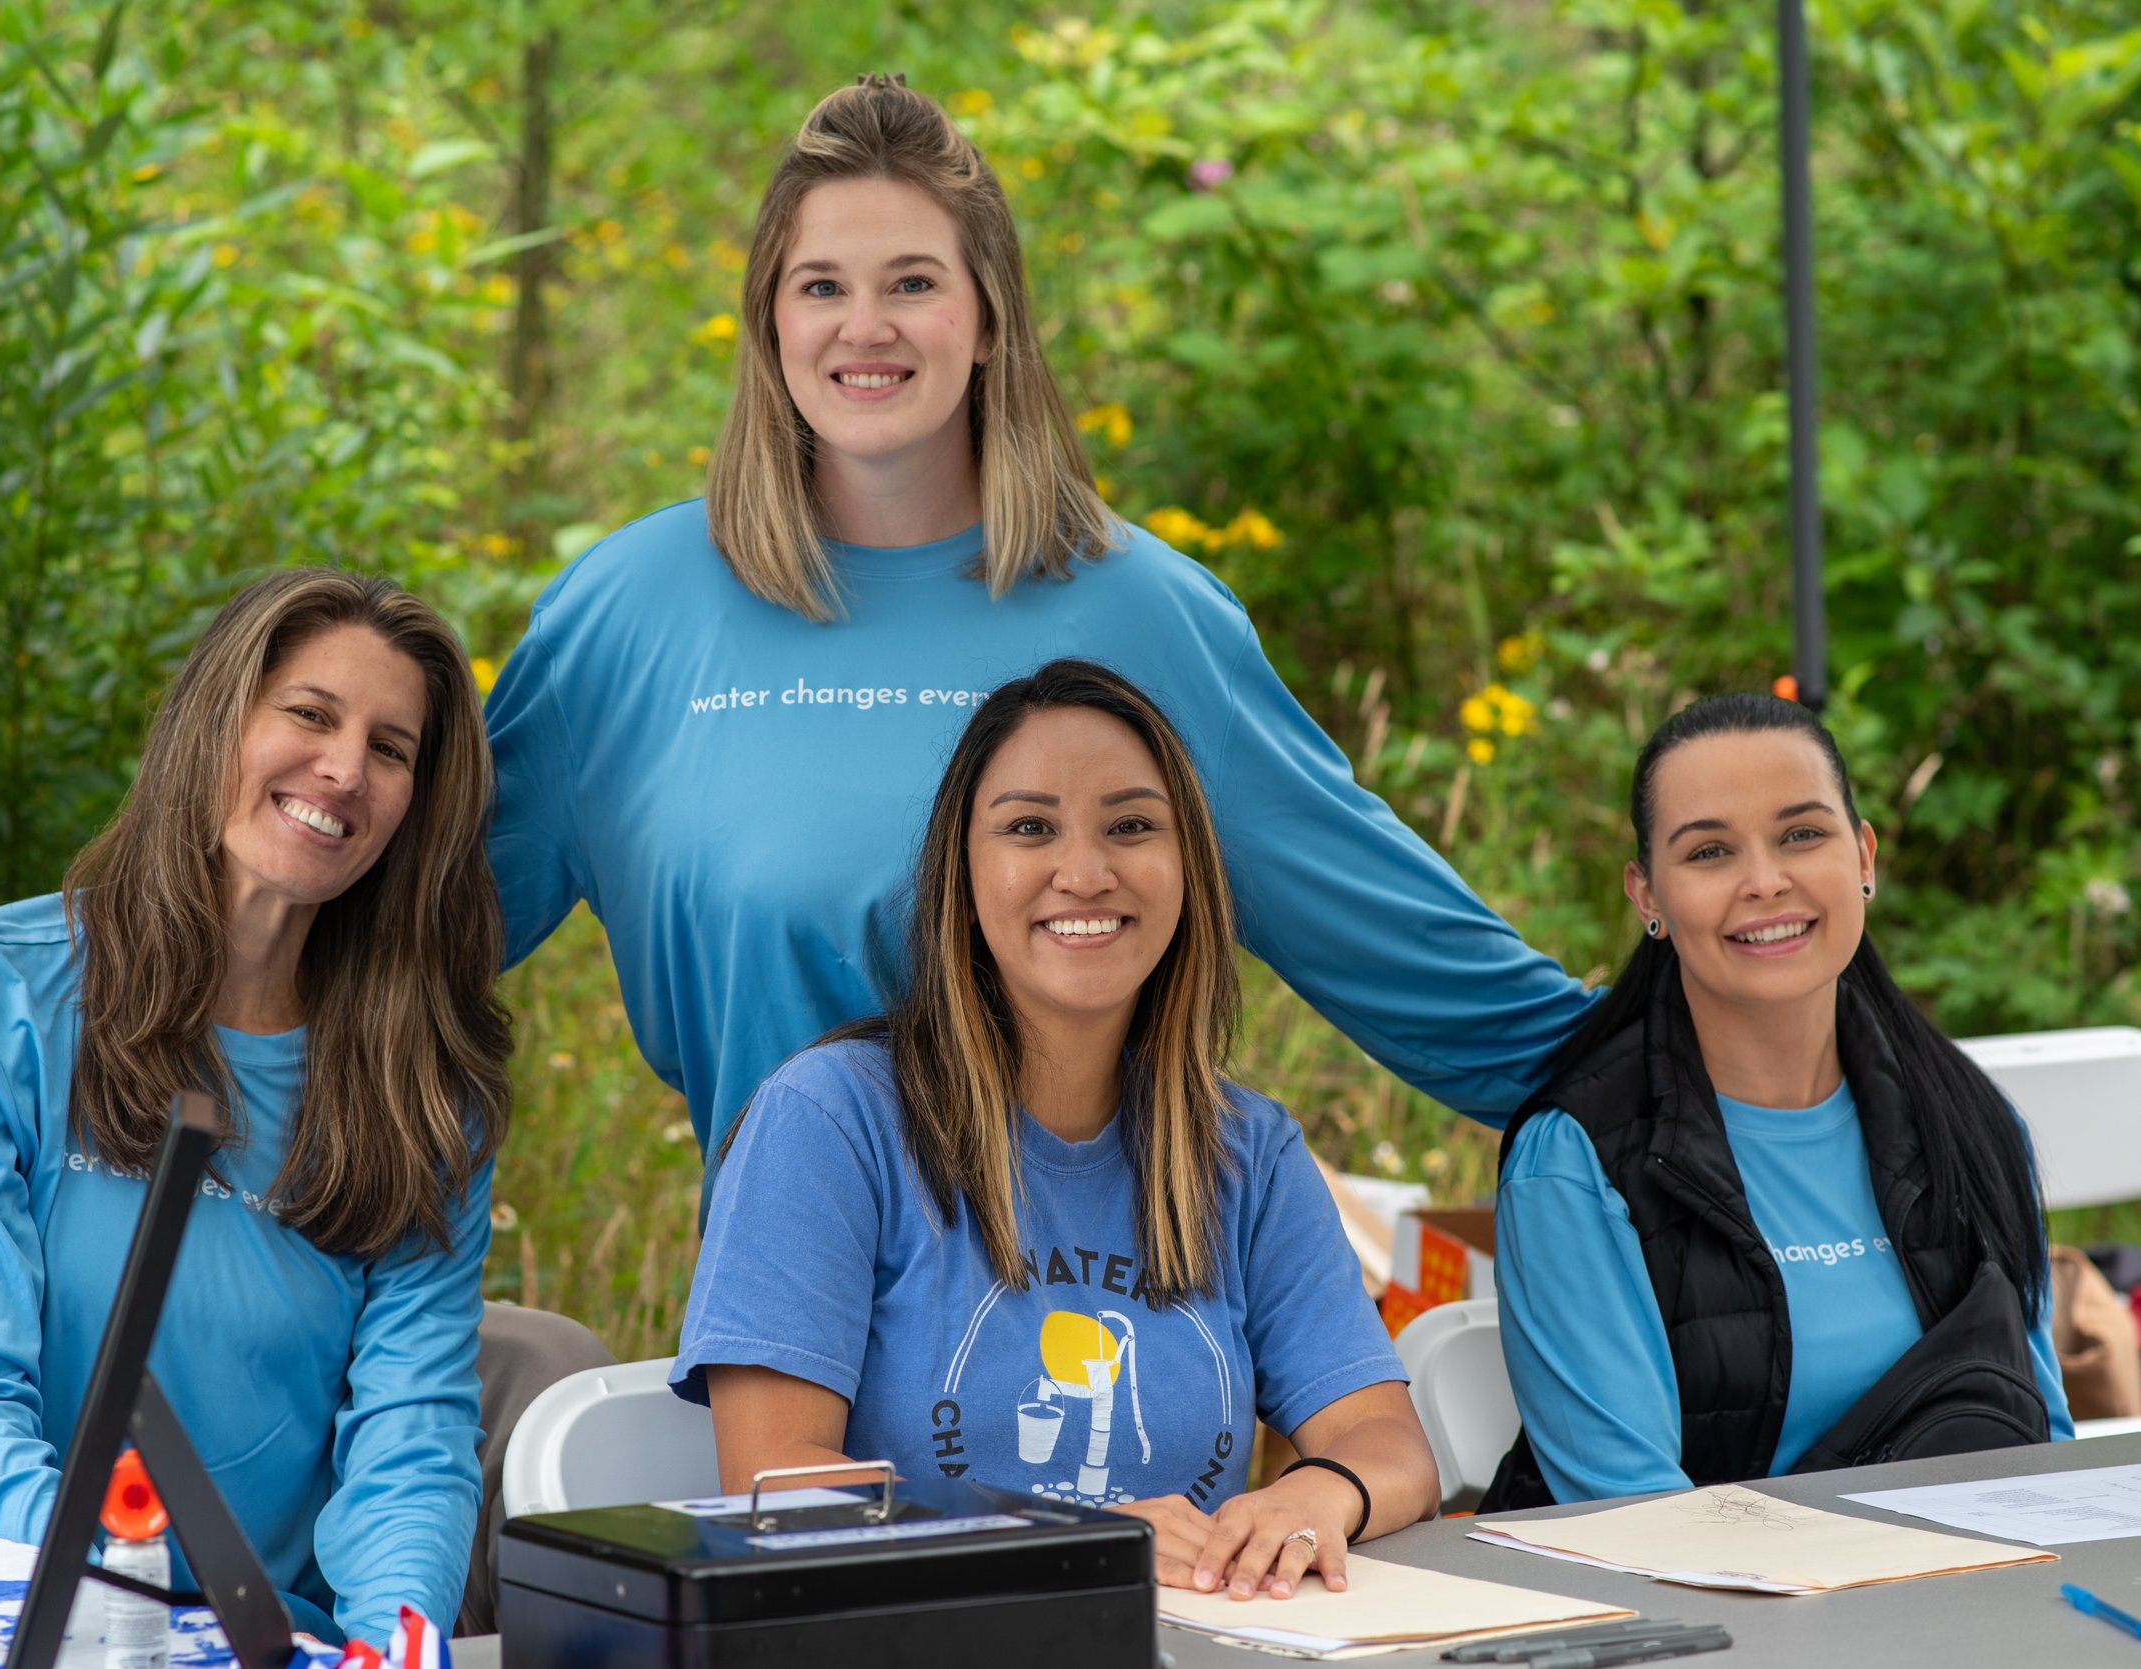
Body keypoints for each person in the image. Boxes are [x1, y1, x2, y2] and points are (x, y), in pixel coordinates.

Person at [483, 75, 1591, 1172]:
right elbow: (406, 948)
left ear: (987, 321)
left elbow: (1410, 955)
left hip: (1098, 1277)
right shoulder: (626, 613)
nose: (864, 327)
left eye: (912, 282)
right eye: (820, 286)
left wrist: (1660, 1080)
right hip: (779, 1277)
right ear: (769, 323)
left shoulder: (1143, 613)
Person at [0, 568, 606, 1644]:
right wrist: (137, 1602)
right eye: (310, 713)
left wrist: (392, 1646)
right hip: (25, 1611)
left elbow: (408, 1439)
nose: (344, 768)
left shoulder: (423, 1084)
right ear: (215, 722)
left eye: (391, 749)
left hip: (274, 1639)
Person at [675, 661, 1440, 1600]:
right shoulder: (831, 1120)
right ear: (964, 872)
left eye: (1132, 826)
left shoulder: (1248, 1150)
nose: (1084, 873)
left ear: (1189, 868)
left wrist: (1320, 1491)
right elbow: (776, 1481)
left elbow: (1391, 1445)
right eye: (1030, 828)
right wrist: (1068, 1541)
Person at [1484, 692, 2073, 1509]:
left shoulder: (1972, 1121)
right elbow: (1632, 1515)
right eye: (1710, 851)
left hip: (1965, 1577)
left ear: (1863, 856)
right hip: (1698, 1586)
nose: (1765, 882)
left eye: (1801, 834)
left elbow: (2044, 1447)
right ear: (1647, 896)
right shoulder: (1575, 1161)